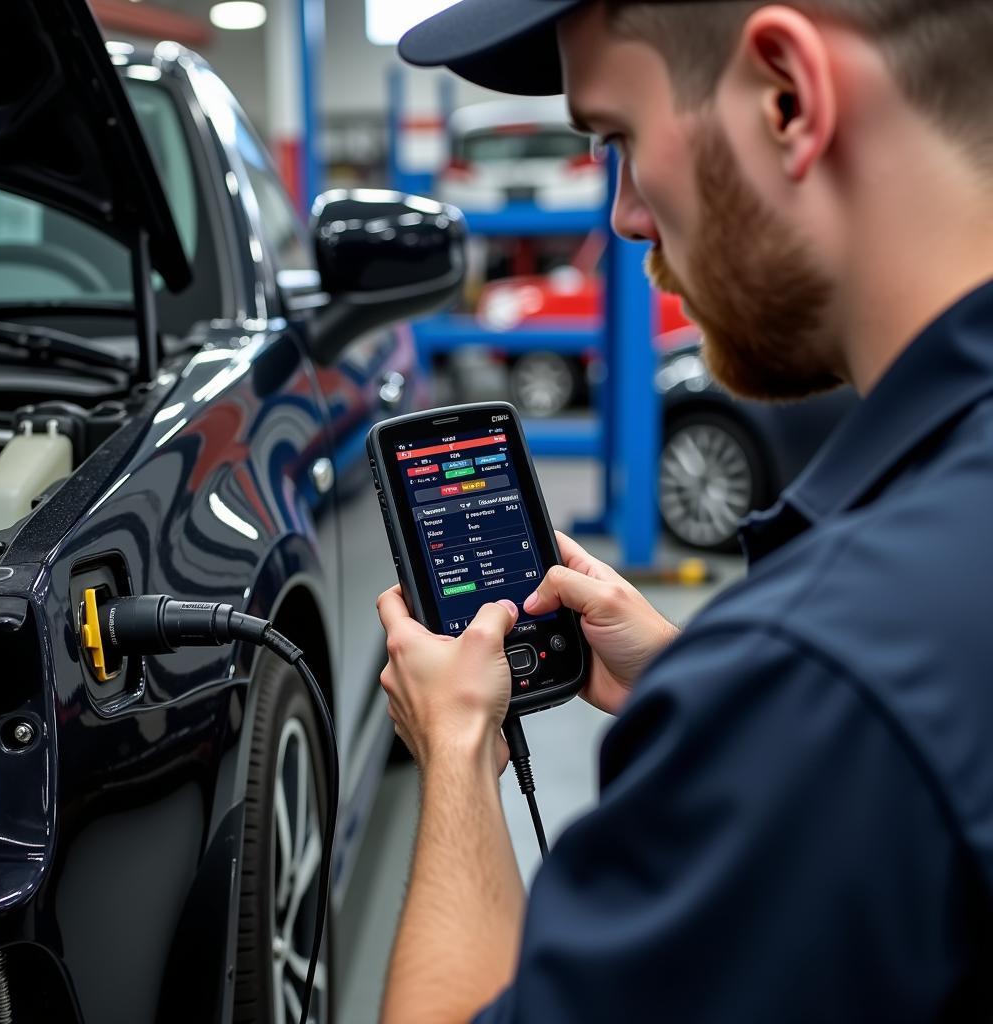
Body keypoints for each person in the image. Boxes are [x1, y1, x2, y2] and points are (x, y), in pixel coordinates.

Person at [376, 1, 993, 1020]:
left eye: (618, 136)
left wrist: (456, 751)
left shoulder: (825, 683)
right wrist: (701, 683)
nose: (623, 215)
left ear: (787, 98)